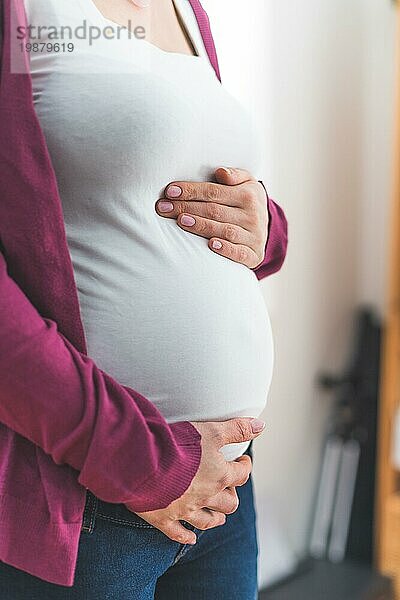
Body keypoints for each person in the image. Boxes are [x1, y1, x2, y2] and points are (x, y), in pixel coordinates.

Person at [0, 0, 288, 597]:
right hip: (90, 499)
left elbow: (166, 189)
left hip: (223, 489)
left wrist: (264, 224)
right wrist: (143, 462)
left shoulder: (187, 9)